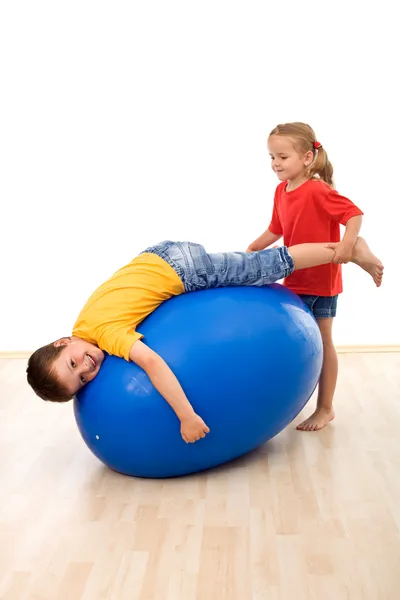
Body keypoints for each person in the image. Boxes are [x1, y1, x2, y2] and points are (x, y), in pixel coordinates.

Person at [27, 236, 383, 443]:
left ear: (62, 342)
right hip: (160, 258)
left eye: (74, 363)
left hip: (183, 271)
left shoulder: (105, 333)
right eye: (82, 379)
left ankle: (347, 249)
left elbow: (153, 363)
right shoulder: (85, 324)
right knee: (252, 267)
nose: (87, 368)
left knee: (267, 266)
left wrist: (186, 416)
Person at [246, 121, 384, 432]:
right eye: (272, 157)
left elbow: (353, 214)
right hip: (293, 278)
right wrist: (257, 246)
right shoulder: (281, 191)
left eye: (282, 157)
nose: (276, 164)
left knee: (323, 343)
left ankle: (325, 408)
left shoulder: (318, 189)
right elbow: (277, 228)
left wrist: (347, 244)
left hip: (321, 282)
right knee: (290, 341)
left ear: (307, 157)